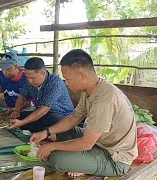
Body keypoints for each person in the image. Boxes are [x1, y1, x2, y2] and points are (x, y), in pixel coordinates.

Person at [31, 49, 138, 178]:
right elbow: (74, 118)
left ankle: (87, 166)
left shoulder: (104, 100)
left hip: (115, 159)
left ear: (82, 75)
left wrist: (51, 146)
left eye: (68, 79)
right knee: (60, 131)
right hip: (100, 142)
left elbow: (86, 143)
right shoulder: (90, 90)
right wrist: (46, 133)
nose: (66, 83)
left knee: (57, 159)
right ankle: (84, 162)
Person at [8, 57, 74, 133]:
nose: (30, 81)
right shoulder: (29, 81)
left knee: (51, 119)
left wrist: (22, 122)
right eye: (27, 77)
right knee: (20, 116)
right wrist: (17, 111)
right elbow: (21, 96)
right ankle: (41, 130)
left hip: (63, 115)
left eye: (33, 78)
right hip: (43, 114)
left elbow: (43, 110)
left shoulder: (55, 83)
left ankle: (45, 132)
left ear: (43, 73)